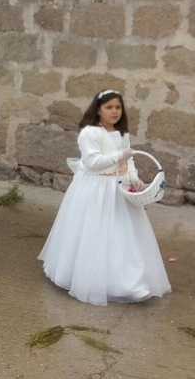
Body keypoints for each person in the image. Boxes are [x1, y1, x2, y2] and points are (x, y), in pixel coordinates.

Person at [38, 89, 171, 306]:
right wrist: (120, 155)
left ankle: (131, 282)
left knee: (123, 234)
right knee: (95, 231)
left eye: (118, 107)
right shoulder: (89, 133)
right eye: (109, 107)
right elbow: (92, 162)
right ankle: (87, 276)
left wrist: (134, 177)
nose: (114, 111)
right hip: (96, 187)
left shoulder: (122, 133)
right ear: (98, 109)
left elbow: (129, 162)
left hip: (119, 187)